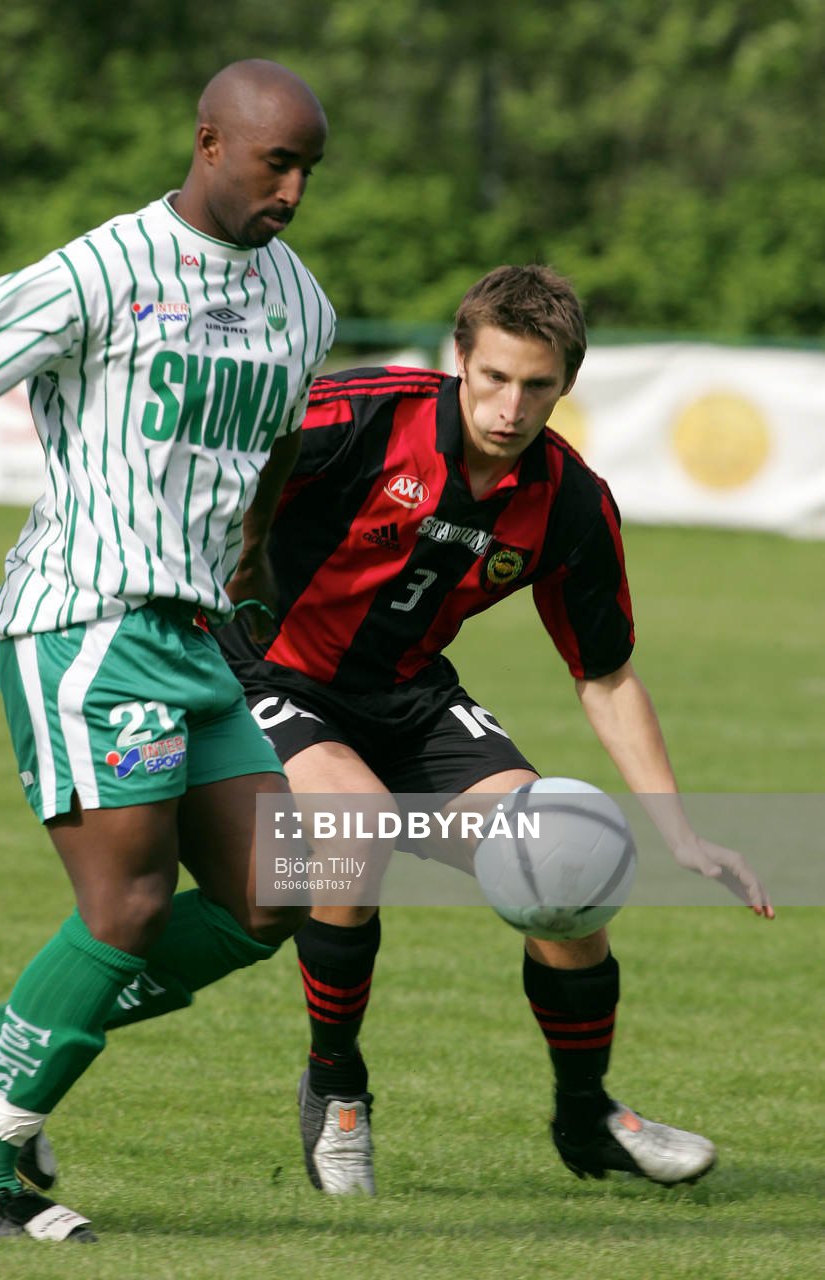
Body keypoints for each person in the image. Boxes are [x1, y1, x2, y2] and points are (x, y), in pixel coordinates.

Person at [0, 58, 334, 1242]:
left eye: (307, 169)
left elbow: (278, 443)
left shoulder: (303, 301)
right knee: (126, 904)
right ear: (208, 142)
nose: (291, 189)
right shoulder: (103, 265)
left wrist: (257, 558)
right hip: (84, 620)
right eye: (275, 161)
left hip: (196, 634)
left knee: (270, 892)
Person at [214, 263, 775, 1194]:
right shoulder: (361, 416)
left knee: (567, 863)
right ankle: (336, 1086)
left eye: (537, 387)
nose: (511, 407)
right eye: (494, 379)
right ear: (458, 361)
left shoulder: (570, 501)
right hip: (271, 673)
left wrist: (678, 828)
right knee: (354, 826)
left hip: (408, 696)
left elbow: (605, 675)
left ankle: (586, 1113)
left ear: (566, 385)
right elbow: (223, 461)